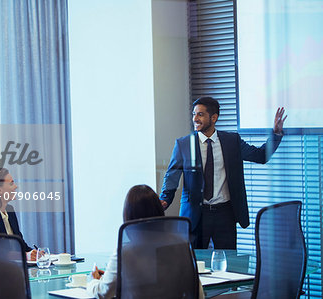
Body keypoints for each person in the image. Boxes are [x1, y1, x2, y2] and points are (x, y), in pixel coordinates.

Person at [160, 97, 287, 249]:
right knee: (194, 263)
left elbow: (260, 156)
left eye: (200, 114)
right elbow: (172, 176)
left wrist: (276, 135)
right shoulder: (183, 144)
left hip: (225, 214)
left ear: (214, 118)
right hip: (196, 214)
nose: (195, 118)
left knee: (228, 263)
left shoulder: (231, 141)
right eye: (194, 114)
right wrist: (165, 199)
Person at [87, 185, 204, 299]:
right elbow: (198, 293)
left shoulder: (124, 253)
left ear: (129, 217)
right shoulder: (181, 246)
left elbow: (103, 293)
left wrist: (93, 281)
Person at [0, 167, 37, 261]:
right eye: (11, 183)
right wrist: (25, 255)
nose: (16, 186)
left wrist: (38, 254)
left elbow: (21, 245)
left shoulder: (10, 210)